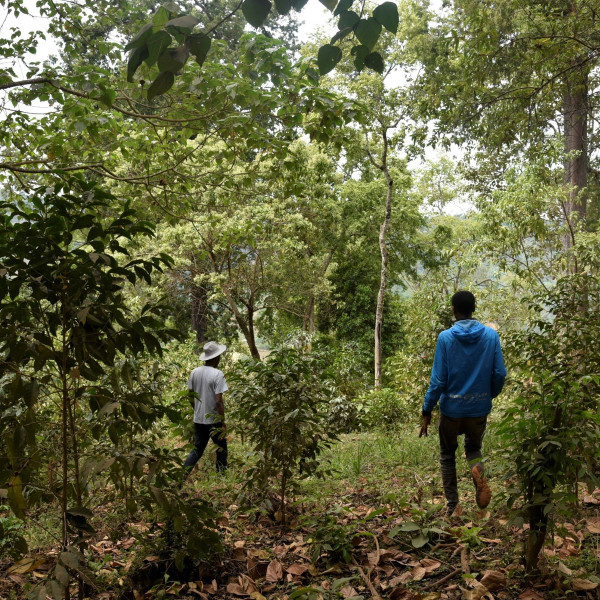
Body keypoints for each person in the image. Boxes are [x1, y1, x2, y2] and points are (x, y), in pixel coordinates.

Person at [419, 291, 506, 515]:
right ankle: (479, 475)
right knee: (474, 448)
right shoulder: (490, 336)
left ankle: (453, 507)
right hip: (478, 408)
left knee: (448, 456)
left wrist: (427, 408)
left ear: (453, 310)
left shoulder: (446, 338)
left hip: (452, 410)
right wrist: (489, 395)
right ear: (474, 309)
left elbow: (438, 381)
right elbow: (499, 373)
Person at [183, 341, 229, 475]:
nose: (220, 358)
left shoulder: (194, 372)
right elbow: (219, 401)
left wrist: (196, 409)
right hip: (214, 421)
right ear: (214, 358)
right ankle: (221, 477)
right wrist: (222, 422)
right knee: (222, 449)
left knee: (196, 451)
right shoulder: (217, 374)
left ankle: (180, 478)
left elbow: (190, 396)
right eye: (219, 356)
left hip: (198, 420)